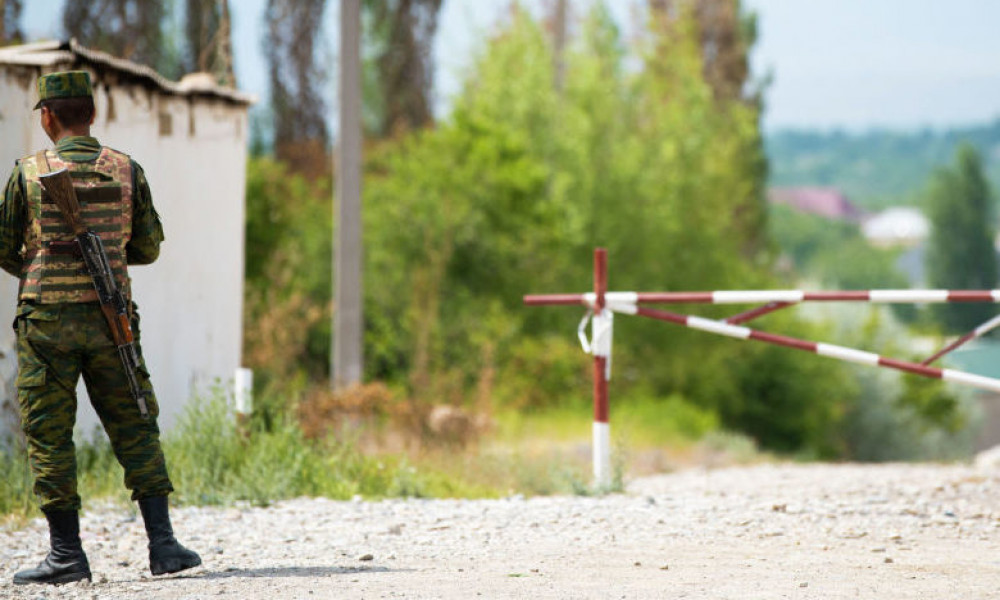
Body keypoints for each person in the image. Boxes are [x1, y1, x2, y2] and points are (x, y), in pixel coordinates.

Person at [1, 71, 201, 585]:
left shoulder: (27, 173)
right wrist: (109, 254)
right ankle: (163, 546)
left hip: (45, 323)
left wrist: (43, 262)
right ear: (93, 113)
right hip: (111, 321)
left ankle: (66, 554)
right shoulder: (126, 170)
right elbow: (149, 247)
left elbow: (3, 249)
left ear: (47, 116)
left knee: (49, 434)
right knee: (134, 420)